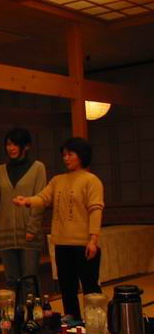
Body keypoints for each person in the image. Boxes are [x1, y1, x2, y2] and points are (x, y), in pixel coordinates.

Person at [13, 137, 104, 323]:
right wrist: (27, 201)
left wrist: (93, 240)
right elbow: (43, 198)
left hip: (84, 244)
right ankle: (72, 318)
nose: (66, 158)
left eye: (70, 154)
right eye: (64, 155)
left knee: (89, 286)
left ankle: (95, 322)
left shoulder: (92, 181)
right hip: (62, 242)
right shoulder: (58, 180)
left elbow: (95, 210)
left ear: (82, 156)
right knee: (66, 284)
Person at [0, 128, 46, 298]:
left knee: (29, 281)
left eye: (16, 144)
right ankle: (15, 314)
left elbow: (40, 200)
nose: (11, 148)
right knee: (11, 280)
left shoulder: (38, 168)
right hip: (6, 233)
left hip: (29, 234)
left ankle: (33, 313)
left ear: (26, 146)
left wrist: (32, 229)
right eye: (8, 144)